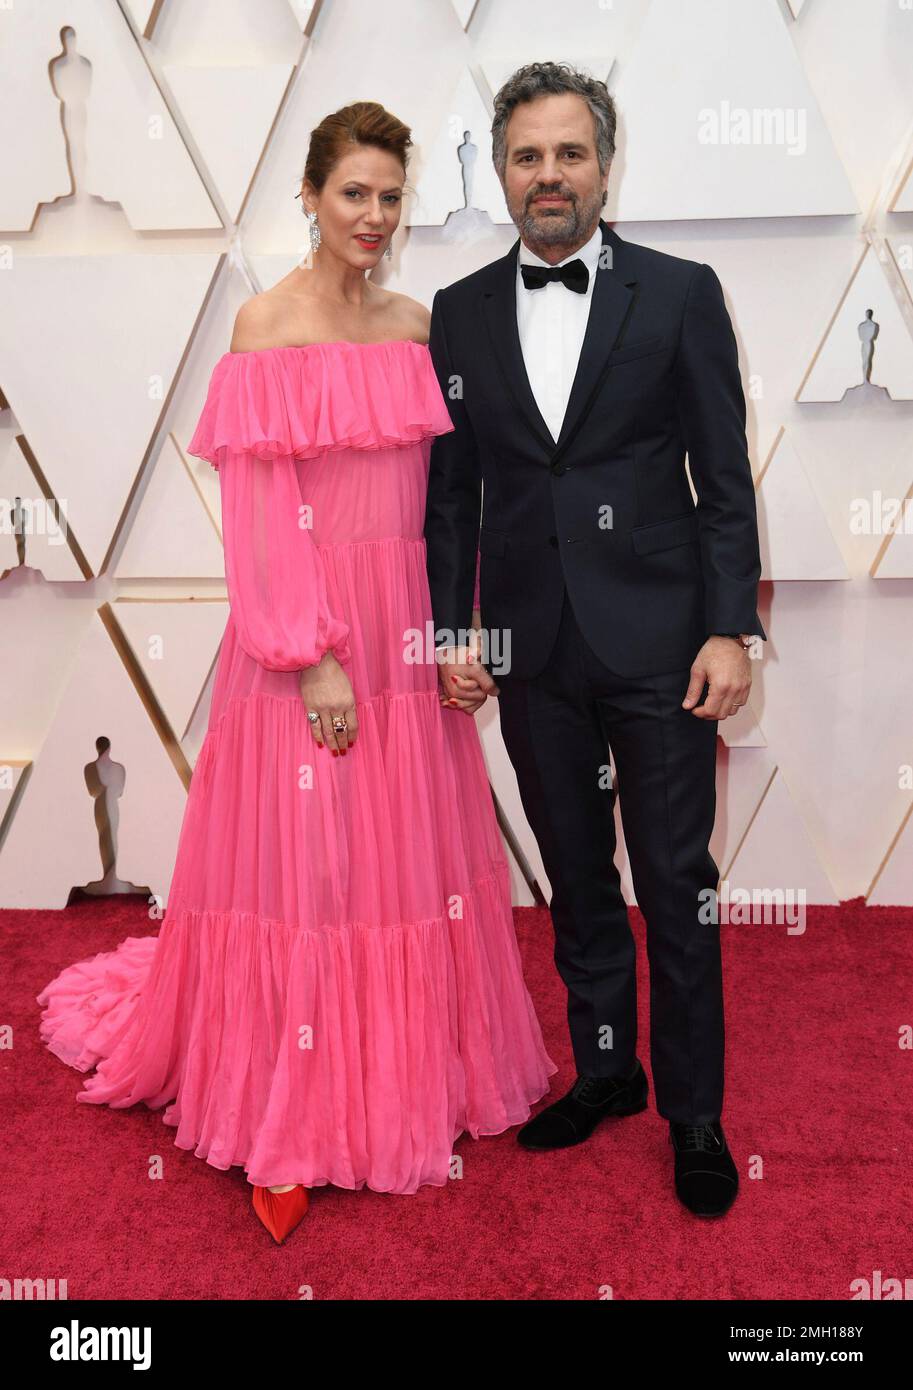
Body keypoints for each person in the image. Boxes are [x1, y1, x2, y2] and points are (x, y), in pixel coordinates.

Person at [36, 100, 555, 1245]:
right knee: (308, 874)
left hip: (405, 627)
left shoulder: (420, 328)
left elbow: (450, 507)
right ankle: (293, 1096)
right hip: (308, 641)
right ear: (310, 197)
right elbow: (262, 521)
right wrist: (311, 654)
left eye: (388, 196)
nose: (371, 216)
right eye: (351, 193)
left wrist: (455, 638)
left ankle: (403, 1079)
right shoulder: (265, 330)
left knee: (400, 869)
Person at [424, 63, 766, 1218]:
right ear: (502, 171)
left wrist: (730, 627)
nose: (549, 176)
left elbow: (722, 478)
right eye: (528, 156)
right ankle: (608, 1069)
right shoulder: (460, 310)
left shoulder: (677, 292)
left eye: (570, 154)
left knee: (674, 881)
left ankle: (696, 1114)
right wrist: (450, 629)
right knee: (576, 879)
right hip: (532, 650)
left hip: (664, 646)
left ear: (604, 166)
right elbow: (453, 493)